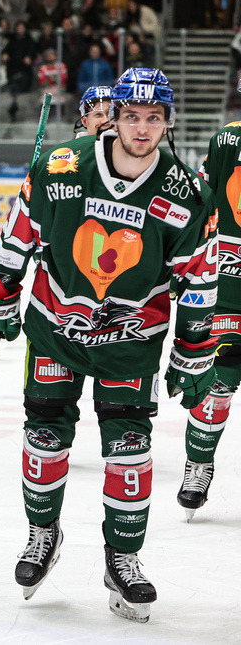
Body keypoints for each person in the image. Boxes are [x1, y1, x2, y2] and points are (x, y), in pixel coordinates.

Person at [0, 68, 218, 622]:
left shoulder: (184, 193)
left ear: (167, 123)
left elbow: (198, 278)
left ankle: (123, 559)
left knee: (130, 451)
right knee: (42, 436)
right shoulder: (62, 167)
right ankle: (42, 535)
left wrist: (193, 344)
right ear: (115, 117)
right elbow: (20, 232)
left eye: (153, 118)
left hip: (130, 343)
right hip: (55, 330)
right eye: (131, 115)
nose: (141, 127)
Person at [175, 75, 241, 520]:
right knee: (218, 380)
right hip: (231, 286)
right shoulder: (227, 141)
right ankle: (198, 463)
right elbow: (203, 201)